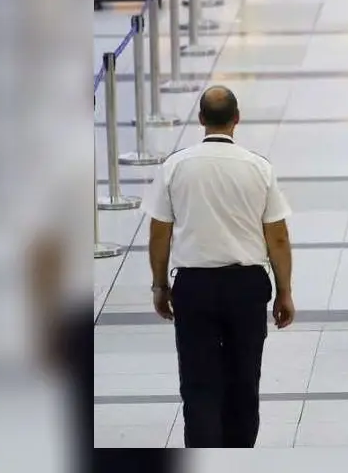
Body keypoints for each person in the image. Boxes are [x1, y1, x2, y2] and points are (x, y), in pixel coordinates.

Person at [141, 86, 296, 448]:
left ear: (200, 120)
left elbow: (159, 233)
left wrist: (160, 285)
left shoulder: (175, 167)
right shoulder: (258, 168)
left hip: (194, 288)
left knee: (199, 385)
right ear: (237, 119)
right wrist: (285, 291)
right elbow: (277, 238)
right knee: (244, 381)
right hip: (246, 287)